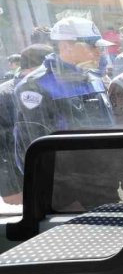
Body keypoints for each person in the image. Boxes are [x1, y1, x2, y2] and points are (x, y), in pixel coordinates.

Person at [13, 17, 117, 210]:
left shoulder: (94, 78)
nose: (99, 52)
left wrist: (122, 170)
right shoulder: (36, 86)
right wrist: (64, 198)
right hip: (66, 195)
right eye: (92, 46)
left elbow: (108, 127)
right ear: (66, 46)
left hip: (103, 184)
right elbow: (34, 146)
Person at [0, 44, 52, 204]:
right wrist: (9, 187)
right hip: (20, 183)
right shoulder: (5, 95)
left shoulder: (45, 88)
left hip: (51, 176)